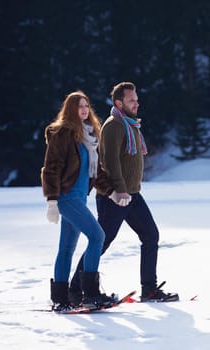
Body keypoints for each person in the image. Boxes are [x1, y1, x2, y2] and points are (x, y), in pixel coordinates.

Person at [68, 82, 178, 303]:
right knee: (102, 241)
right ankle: (75, 291)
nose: (136, 103)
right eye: (131, 100)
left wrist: (128, 191)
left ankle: (149, 289)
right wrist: (118, 190)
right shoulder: (114, 126)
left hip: (132, 195)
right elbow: (110, 162)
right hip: (115, 197)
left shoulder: (131, 125)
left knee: (150, 235)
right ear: (119, 103)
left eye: (136, 99)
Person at [41, 91, 115, 311]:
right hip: (66, 197)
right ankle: (91, 294)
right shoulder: (62, 133)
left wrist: (111, 192)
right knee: (97, 235)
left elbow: (96, 172)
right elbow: (50, 168)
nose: (84, 109)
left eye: (86, 106)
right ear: (70, 109)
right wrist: (52, 201)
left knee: (66, 248)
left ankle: (61, 299)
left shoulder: (89, 136)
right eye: (79, 106)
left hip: (80, 198)